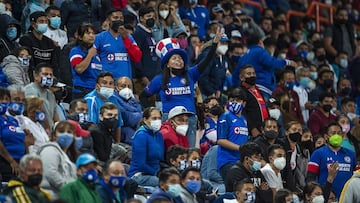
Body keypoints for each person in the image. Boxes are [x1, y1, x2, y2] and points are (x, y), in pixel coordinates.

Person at [143, 28, 221, 148]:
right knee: (170, 152)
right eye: (174, 58)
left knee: (189, 151)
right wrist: (150, 113)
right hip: (169, 121)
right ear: (167, 63)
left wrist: (214, 44)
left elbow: (206, 61)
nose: (178, 61)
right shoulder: (159, 80)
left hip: (189, 119)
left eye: (180, 58)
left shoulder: (191, 74)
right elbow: (144, 95)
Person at [232, 34, 297, 99]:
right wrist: (286, 62)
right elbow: (271, 63)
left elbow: (235, 75)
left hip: (248, 89)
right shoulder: (260, 51)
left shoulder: (243, 56)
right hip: (262, 88)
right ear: (260, 42)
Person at [307, 122, 357, 198]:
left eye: (339, 133)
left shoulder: (351, 154)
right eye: (333, 133)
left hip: (348, 197)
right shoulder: (318, 153)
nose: (336, 135)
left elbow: (357, 176)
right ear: (326, 137)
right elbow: (310, 178)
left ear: (343, 135)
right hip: (326, 197)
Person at [94, 8, 142, 79]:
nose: (119, 20)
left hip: (125, 81)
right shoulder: (99, 38)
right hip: (107, 82)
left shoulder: (129, 37)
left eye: (121, 18)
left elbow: (137, 58)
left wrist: (126, 39)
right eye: (115, 18)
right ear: (108, 20)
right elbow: (94, 60)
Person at [38, 121, 77, 199]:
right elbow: (50, 172)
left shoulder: (67, 155)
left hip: (63, 196)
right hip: (51, 196)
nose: (66, 134)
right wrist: (68, 188)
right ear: (55, 135)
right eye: (61, 131)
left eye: (69, 132)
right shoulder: (50, 150)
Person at [217, 88, 248, 180]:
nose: (234, 102)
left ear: (244, 103)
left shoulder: (244, 119)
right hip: (228, 161)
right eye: (232, 100)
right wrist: (240, 148)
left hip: (241, 161)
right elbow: (221, 140)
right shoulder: (225, 116)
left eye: (238, 100)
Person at [129, 107, 164, 187]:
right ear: (145, 120)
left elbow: (160, 159)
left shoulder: (159, 135)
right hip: (140, 174)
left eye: (159, 118)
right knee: (166, 183)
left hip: (155, 172)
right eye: (154, 118)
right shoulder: (141, 136)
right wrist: (156, 173)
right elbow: (141, 164)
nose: (157, 121)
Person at [84, 71, 123, 143]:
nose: (108, 86)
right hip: (95, 140)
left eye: (111, 83)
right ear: (97, 86)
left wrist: (118, 143)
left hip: (109, 137)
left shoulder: (114, 99)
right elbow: (92, 126)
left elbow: (118, 125)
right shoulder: (90, 100)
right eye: (104, 83)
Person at [0, 87, 29, 182]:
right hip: (6, 163)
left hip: (20, 162)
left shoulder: (13, 120)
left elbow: (23, 141)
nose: (3, 102)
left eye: (6, 99)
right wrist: (11, 161)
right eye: (1, 99)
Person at [19, 11, 59, 79]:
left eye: (46, 21)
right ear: (33, 24)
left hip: (48, 76)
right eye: (41, 21)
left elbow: (54, 64)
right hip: (33, 76)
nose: (44, 24)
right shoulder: (26, 39)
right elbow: (29, 63)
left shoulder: (49, 42)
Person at [132, 6, 161, 96]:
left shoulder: (150, 33)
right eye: (148, 16)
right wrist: (142, 76)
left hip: (152, 76)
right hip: (143, 79)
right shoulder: (138, 33)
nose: (151, 19)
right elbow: (135, 56)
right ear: (141, 18)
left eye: (153, 17)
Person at [69, 23, 102, 99]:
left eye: (93, 33)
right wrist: (90, 55)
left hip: (96, 91)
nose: (91, 35)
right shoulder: (76, 51)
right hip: (81, 91)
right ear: (80, 37)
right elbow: (79, 69)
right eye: (88, 33)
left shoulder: (97, 53)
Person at [24, 62, 59, 128]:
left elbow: (55, 116)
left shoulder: (51, 94)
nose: (49, 77)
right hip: (37, 129)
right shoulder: (30, 90)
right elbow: (35, 113)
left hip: (50, 131)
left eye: (51, 75)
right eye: (45, 74)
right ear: (36, 76)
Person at [239, 65, 269, 138]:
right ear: (242, 77)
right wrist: (252, 128)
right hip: (253, 132)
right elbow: (242, 112)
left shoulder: (258, 90)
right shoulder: (240, 92)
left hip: (265, 128)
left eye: (253, 73)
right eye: (249, 74)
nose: (252, 75)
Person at [197, 33, 230, 98]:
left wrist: (219, 90)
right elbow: (203, 76)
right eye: (222, 43)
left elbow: (222, 76)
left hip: (216, 93)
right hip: (204, 93)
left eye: (226, 43)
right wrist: (210, 92)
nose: (225, 45)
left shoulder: (223, 57)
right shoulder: (207, 56)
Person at [114, 76, 142, 145]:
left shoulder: (132, 100)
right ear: (116, 88)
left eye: (129, 87)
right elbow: (127, 119)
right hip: (121, 131)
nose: (127, 89)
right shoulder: (113, 99)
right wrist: (141, 114)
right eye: (123, 86)